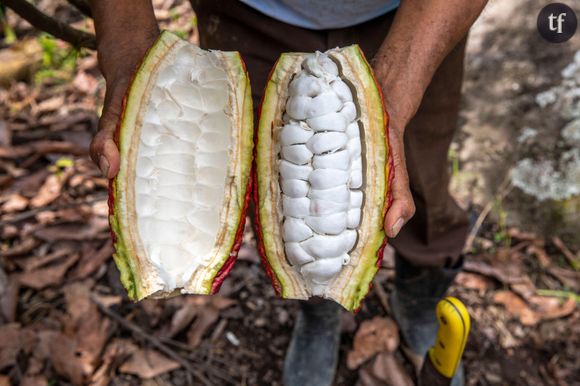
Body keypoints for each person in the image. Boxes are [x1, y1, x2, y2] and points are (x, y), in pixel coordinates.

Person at [89, 1, 487, 385]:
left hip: (414, 14)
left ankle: (418, 305)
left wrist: (401, 93)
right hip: (250, 13)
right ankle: (317, 313)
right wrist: (125, 43)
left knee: (424, 183)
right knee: (271, 179)